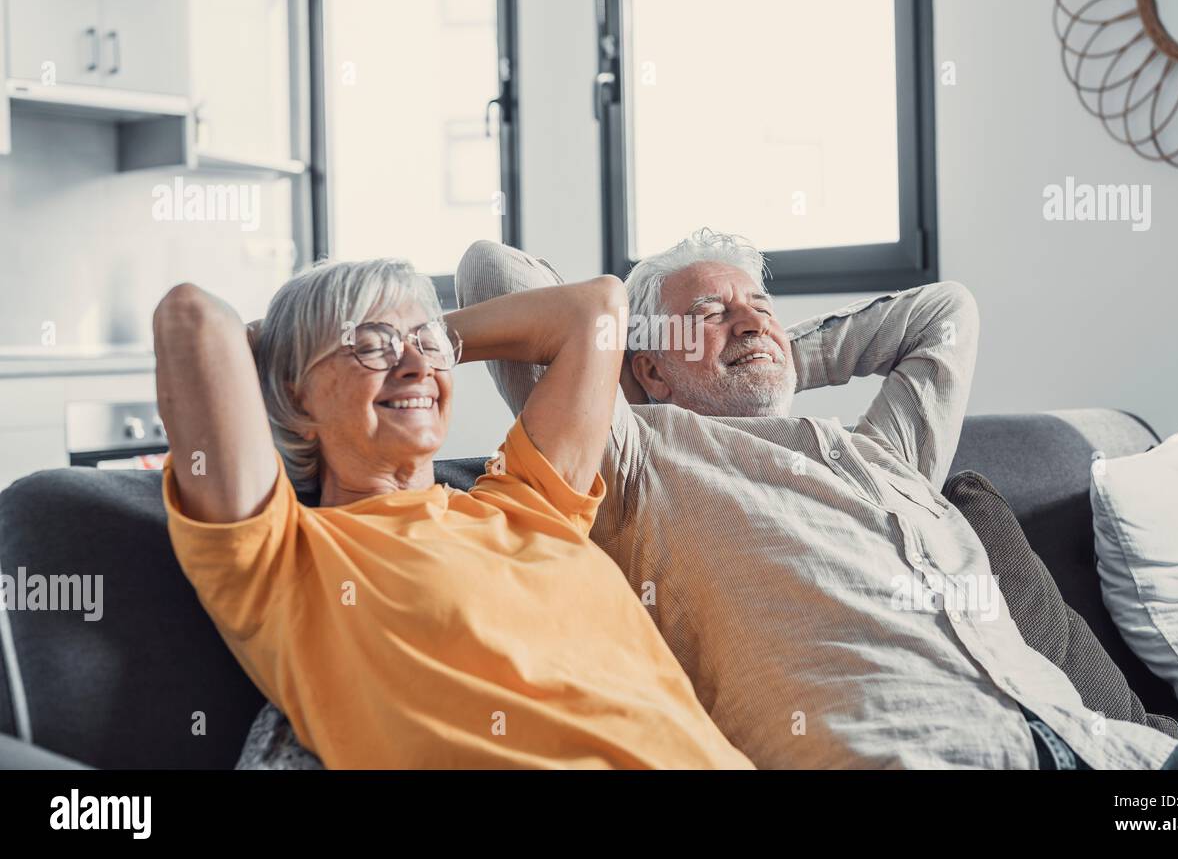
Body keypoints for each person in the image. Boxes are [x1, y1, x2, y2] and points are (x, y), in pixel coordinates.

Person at [458, 230, 1178, 770]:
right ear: (644, 366)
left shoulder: (885, 451)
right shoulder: (638, 455)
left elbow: (945, 313)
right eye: (709, 313)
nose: (750, 321)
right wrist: (645, 380)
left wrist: (768, 353)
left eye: (761, 307)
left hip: (1105, 755)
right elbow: (492, 269)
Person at [153, 258, 752, 769]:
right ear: (295, 394)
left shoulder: (526, 502)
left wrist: (431, 340)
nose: (415, 366)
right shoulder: (281, 556)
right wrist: (279, 347)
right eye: (369, 344)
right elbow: (191, 317)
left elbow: (597, 308)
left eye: (426, 343)